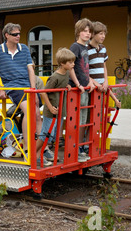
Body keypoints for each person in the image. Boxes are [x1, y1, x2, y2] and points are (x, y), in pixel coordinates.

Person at [0, 23, 39, 148]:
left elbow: (31, 70)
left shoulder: (24, 48)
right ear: (7, 35)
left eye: (19, 34)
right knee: (29, 110)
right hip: (13, 86)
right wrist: (0, 89)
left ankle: (42, 147)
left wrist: (33, 89)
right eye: (14, 34)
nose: (18, 36)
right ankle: (28, 148)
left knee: (37, 112)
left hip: (27, 86)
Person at [35, 48, 75, 166]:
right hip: (51, 110)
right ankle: (34, 155)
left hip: (60, 109)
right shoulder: (54, 77)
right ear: (62, 64)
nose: (73, 64)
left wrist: (67, 86)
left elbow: (62, 84)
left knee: (54, 134)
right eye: (70, 62)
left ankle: (42, 153)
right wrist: (50, 107)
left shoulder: (66, 73)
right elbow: (44, 92)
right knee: (45, 133)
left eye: (73, 61)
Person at [68, 18, 96, 162]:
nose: (88, 34)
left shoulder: (85, 48)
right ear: (78, 32)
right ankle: (76, 148)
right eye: (85, 31)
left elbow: (85, 68)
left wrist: (90, 81)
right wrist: (78, 84)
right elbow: (70, 67)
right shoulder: (75, 47)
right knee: (78, 120)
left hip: (85, 88)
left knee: (83, 120)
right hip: (77, 89)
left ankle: (80, 146)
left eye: (89, 31)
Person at [88, 21, 121, 108]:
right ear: (93, 34)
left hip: (102, 86)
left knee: (100, 111)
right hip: (91, 87)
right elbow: (84, 70)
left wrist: (105, 81)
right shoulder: (86, 49)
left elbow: (104, 66)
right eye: (100, 33)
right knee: (90, 114)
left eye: (104, 34)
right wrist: (95, 83)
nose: (103, 36)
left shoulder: (103, 48)